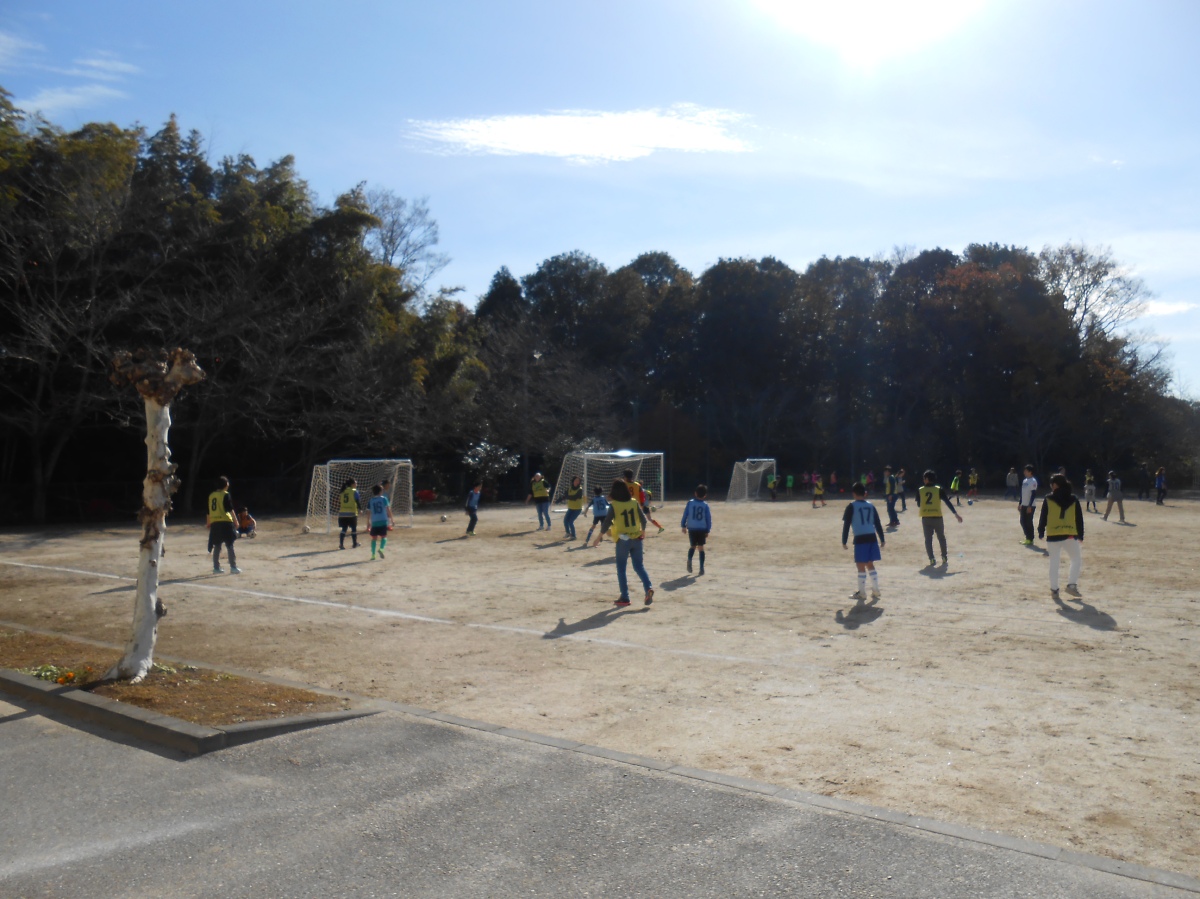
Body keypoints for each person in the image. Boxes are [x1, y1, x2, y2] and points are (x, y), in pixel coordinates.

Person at [593, 479, 654, 607]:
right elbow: (643, 520)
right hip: (637, 538)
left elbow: (607, 522)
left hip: (623, 540)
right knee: (639, 566)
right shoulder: (634, 502)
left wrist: (598, 537)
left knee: (621, 569)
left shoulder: (614, 505)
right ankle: (648, 587)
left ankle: (625, 597)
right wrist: (643, 531)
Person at [1037, 473, 1085, 599]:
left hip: (1053, 534)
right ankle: (1071, 585)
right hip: (1069, 534)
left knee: (1054, 563)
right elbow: (1079, 518)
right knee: (1076, 559)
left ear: (1054, 485)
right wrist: (1080, 534)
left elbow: (1043, 516)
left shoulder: (1048, 498)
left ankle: (1054, 590)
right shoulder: (1073, 499)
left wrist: (1041, 530)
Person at [842, 481, 885, 600]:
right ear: (865, 493)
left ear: (854, 493)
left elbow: (846, 524)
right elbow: (877, 523)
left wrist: (844, 540)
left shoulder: (851, 506)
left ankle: (862, 592)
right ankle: (876, 590)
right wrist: (882, 538)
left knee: (860, 566)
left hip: (860, 538)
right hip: (872, 537)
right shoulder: (871, 505)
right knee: (870, 564)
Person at [918, 469, 962, 567]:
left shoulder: (920, 490)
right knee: (941, 538)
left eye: (924, 478)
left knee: (928, 540)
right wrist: (956, 514)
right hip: (937, 517)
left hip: (926, 518)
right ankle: (944, 557)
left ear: (926, 479)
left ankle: (931, 559)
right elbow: (947, 502)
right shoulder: (938, 489)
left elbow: (918, 504)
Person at [206, 476, 240, 574]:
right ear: (225, 485)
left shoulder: (211, 495)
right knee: (229, 545)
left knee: (217, 545)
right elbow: (230, 509)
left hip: (215, 523)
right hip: (226, 522)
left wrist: (208, 522)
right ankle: (233, 567)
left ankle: (216, 568)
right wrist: (236, 521)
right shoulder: (225, 494)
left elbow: (208, 511)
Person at [681, 484, 712, 574]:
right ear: (705, 495)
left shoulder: (690, 503)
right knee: (701, 548)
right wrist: (708, 530)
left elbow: (685, 514)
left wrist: (683, 525)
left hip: (692, 528)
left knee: (693, 546)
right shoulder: (705, 505)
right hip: (702, 528)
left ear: (695, 493)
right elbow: (708, 519)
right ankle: (701, 568)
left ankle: (689, 559)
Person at [623, 469, 664, 534]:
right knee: (642, 519)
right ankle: (659, 527)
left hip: (628, 505)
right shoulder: (638, 486)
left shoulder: (623, 485)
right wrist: (646, 502)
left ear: (625, 477)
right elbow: (645, 495)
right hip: (639, 505)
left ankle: (634, 532)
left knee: (629, 519)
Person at [366, 484, 394, 559]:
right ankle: (381, 549)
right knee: (384, 537)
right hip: (383, 520)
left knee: (374, 538)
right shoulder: (384, 499)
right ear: (380, 491)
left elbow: (368, 512)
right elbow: (388, 509)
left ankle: (373, 555)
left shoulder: (371, 500)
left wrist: (368, 522)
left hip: (374, 521)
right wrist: (391, 519)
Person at [337, 478, 361, 549]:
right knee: (353, 529)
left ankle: (341, 544)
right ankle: (354, 543)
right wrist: (360, 509)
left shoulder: (342, 491)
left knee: (344, 529)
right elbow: (357, 501)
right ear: (352, 484)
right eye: (355, 483)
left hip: (342, 513)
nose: (356, 484)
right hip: (352, 513)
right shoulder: (354, 491)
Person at [1019, 465, 1038, 546]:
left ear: (1030, 472)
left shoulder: (1033, 481)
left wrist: (1030, 506)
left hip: (1030, 505)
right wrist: (1020, 503)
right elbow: (1022, 493)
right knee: (1022, 521)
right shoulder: (1024, 481)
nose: (1024, 472)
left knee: (1028, 522)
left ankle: (1030, 539)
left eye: (1026, 471)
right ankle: (1027, 537)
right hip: (1024, 504)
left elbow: (1033, 494)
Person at [563, 475, 585, 540]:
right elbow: (565, 495)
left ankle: (573, 535)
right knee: (565, 520)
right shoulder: (570, 488)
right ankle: (567, 533)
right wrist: (559, 499)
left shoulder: (580, 489)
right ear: (573, 481)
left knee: (570, 521)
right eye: (575, 480)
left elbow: (575, 497)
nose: (577, 482)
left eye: (578, 481)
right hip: (571, 508)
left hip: (577, 509)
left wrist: (568, 497)